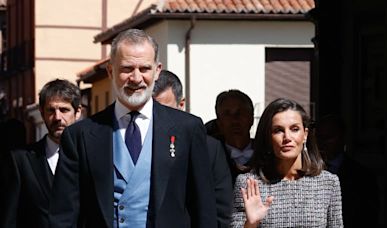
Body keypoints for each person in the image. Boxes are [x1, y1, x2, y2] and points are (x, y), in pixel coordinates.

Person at [49, 29, 217, 227]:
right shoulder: (80, 136)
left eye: (144, 69)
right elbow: (64, 215)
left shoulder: (187, 128)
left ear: (157, 71)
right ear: (111, 70)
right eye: (127, 69)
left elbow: (203, 209)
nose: (136, 78)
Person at [231, 98, 343, 227]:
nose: (287, 138)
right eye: (278, 130)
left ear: (305, 134)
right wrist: (251, 223)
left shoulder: (328, 183)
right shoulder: (249, 184)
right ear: (268, 137)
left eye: (294, 129)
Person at [153, 69, 233, 228]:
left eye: (165, 110)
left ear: (181, 104)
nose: (157, 117)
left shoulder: (209, 148)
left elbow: (221, 211)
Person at [0, 79, 82, 228]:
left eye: (64, 110)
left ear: (77, 113)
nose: (57, 117)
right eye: (51, 110)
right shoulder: (20, 161)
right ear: (42, 113)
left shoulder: (92, 157)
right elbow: (9, 218)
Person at [316, 114, 379, 227]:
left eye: (328, 137)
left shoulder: (363, 177)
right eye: (319, 137)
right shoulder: (305, 172)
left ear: (342, 138)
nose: (322, 143)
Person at [215, 89, 254, 184]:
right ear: (219, 123)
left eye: (240, 113)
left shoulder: (268, 154)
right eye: (227, 114)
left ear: (251, 119)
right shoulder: (211, 158)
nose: (235, 120)